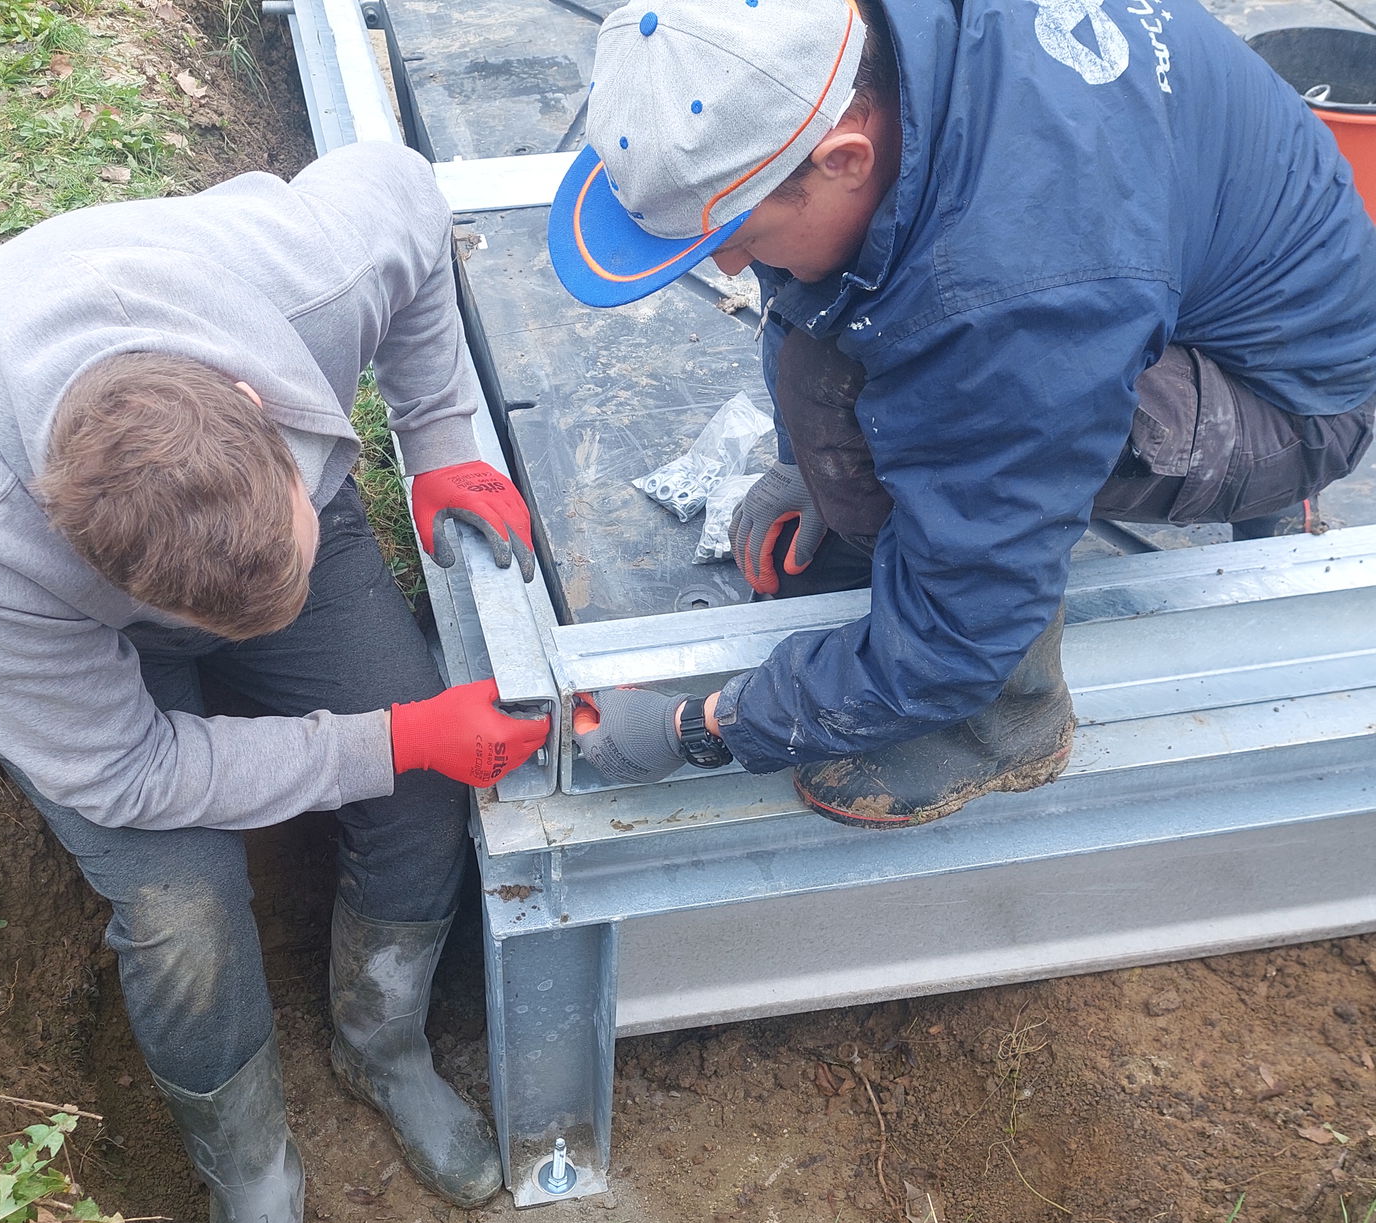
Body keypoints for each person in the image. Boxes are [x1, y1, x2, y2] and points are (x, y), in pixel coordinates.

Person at [0, 142, 549, 1223]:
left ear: (256, 400)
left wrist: (441, 431)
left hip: (265, 510)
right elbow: (130, 775)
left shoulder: (303, 279)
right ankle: (253, 1185)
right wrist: (381, 735)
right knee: (181, 909)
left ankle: (380, 1039)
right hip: (74, 642)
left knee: (427, 780)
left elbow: (408, 191)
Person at [548, 0, 1376, 827]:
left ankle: (1006, 725)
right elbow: (819, 271)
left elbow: (965, 624)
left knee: (897, 402)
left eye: (742, 236)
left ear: (844, 157)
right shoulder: (858, 47)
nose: (729, 263)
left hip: (1292, 400)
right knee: (853, 351)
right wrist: (803, 463)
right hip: (1184, 265)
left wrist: (701, 728)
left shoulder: (1009, 301)